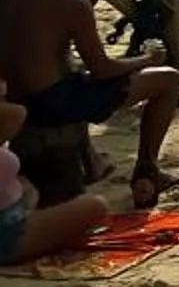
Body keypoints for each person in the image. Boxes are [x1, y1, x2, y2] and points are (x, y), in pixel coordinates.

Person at [0, 0, 179, 205]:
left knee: (68, 67)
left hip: (14, 95)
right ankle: (147, 168)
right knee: (168, 79)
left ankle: (91, 161)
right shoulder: (71, 5)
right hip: (51, 102)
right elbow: (103, 69)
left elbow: (54, 24)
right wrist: (148, 59)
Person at [0, 96, 106, 267]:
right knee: (96, 205)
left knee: (29, 190)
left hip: (14, 211)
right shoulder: (9, 117)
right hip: (8, 234)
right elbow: (17, 113)